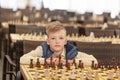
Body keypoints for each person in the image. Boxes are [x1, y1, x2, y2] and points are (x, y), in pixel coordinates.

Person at [20, 21, 97, 66]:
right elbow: (22, 59)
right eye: (53, 38)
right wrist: (45, 61)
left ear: (65, 41)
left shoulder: (71, 51)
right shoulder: (42, 50)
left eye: (61, 38)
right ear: (48, 41)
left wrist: (72, 61)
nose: (57, 41)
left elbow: (93, 60)